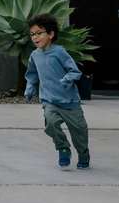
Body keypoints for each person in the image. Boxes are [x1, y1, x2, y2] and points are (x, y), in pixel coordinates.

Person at [25, 13, 90, 170]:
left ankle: (83, 154)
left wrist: (67, 79)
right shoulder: (34, 55)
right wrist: (30, 87)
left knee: (79, 133)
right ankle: (62, 148)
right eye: (32, 34)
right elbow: (32, 74)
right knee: (51, 124)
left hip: (70, 102)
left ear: (51, 34)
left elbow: (74, 71)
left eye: (39, 33)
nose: (35, 37)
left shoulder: (59, 52)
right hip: (49, 101)